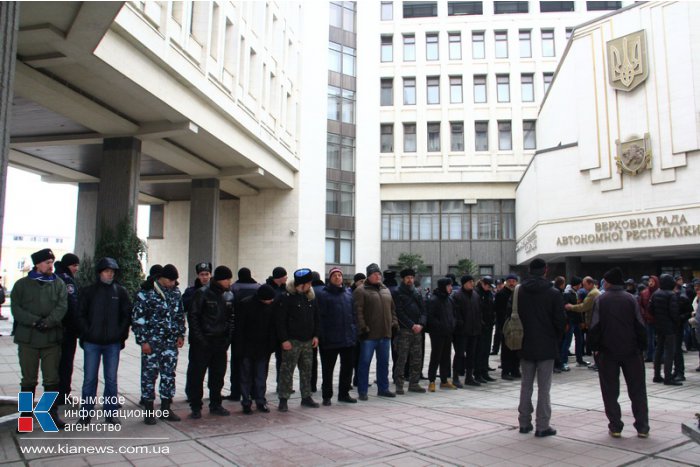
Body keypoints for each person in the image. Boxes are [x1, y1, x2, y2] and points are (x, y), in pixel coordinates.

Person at [11, 248, 68, 428]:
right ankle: (25, 418)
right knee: (28, 380)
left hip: (50, 338)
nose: (51, 266)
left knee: (51, 379)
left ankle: (49, 415)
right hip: (28, 339)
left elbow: (62, 306)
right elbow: (16, 309)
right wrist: (35, 321)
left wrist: (49, 322)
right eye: (47, 263)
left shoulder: (58, 284)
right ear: (37, 264)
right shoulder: (21, 285)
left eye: (52, 262)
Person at [590, 267, 649, 438]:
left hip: (607, 352)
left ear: (608, 282)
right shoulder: (631, 299)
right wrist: (642, 346)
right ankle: (642, 426)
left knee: (610, 390)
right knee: (637, 389)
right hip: (632, 351)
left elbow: (595, 326)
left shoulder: (601, 300)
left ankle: (615, 426)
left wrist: (594, 347)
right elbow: (640, 324)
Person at [76, 257, 131, 425]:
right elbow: (80, 315)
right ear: (100, 272)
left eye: (112, 272)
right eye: (107, 271)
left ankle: (110, 412)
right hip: (92, 342)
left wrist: (120, 335)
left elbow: (126, 316)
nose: (110, 274)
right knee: (90, 379)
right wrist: (87, 333)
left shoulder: (120, 292)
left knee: (111, 379)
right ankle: (86, 414)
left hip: (112, 343)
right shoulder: (88, 292)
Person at [517, 258, 566, 438]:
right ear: (545, 270)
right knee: (544, 388)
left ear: (530, 271)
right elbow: (560, 321)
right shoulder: (553, 293)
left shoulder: (520, 291)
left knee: (525, 385)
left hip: (524, 343)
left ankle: (524, 423)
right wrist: (556, 338)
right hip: (546, 344)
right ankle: (542, 425)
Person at [132, 264, 186, 425]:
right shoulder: (145, 293)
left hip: (170, 343)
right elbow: (138, 320)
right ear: (162, 278)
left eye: (174, 281)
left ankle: (166, 408)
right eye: (170, 280)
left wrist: (180, 334)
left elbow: (179, 315)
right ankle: (149, 410)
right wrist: (143, 341)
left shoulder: (175, 293)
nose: (172, 283)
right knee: (149, 376)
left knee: (169, 375)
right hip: (152, 343)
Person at [186, 266, 235, 419]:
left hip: (220, 343)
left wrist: (228, 338)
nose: (229, 282)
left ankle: (216, 404)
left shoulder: (228, 295)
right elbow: (193, 318)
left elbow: (231, 318)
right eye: (227, 279)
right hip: (202, 344)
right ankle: (195, 406)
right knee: (197, 376)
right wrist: (200, 339)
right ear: (220, 279)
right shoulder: (202, 293)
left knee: (218, 375)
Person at [276, 268, 321, 411]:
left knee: (307, 370)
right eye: (308, 283)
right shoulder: (286, 297)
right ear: (301, 284)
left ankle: (306, 397)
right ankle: (283, 399)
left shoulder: (310, 297)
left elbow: (316, 318)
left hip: (308, 341)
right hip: (292, 341)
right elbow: (280, 321)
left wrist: (316, 335)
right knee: (287, 371)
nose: (310, 285)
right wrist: (284, 339)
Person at [354, 263, 399, 400]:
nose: (378, 276)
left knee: (384, 363)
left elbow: (392, 309)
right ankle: (362, 391)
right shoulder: (361, 290)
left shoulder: (385, 289)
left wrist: (394, 322)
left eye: (379, 274)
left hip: (385, 334)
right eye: (375, 274)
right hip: (369, 335)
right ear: (369, 275)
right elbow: (358, 312)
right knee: (365, 362)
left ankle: (383, 388)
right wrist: (363, 328)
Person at [316, 267, 358, 405]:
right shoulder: (323, 295)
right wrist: (322, 336)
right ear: (330, 278)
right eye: (334, 275)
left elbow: (354, 314)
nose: (337, 277)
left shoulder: (348, 293)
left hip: (348, 339)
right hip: (330, 340)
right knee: (328, 370)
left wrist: (354, 331)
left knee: (347, 369)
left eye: (339, 275)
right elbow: (319, 318)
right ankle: (326, 396)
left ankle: (344, 394)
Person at [236, 284, 277, 414]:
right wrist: (239, 347)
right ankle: (246, 402)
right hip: (247, 347)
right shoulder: (246, 304)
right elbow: (239, 328)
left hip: (263, 348)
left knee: (260, 376)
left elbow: (273, 327)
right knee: (246, 376)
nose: (271, 301)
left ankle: (260, 400)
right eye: (269, 299)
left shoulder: (271, 307)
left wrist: (271, 346)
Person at [226, 267, 260, 402]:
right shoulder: (258, 287)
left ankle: (235, 392)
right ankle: (253, 392)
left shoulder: (234, 288)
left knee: (237, 363)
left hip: (238, 332)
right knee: (255, 365)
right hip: (255, 333)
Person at [392, 268, 426, 394]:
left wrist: (421, 324)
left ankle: (414, 383)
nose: (410, 280)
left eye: (412, 277)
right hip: (405, 331)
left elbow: (424, 310)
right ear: (403, 279)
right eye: (407, 278)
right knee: (402, 358)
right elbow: (399, 312)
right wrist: (412, 325)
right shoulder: (397, 293)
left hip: (418, 330)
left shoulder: (417, 292)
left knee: (417, 358)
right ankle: (399, 385)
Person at [54, 253, 80, 405]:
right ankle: (61, 395)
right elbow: (72, 305)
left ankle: (54, 404)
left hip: (50, 331)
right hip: (65, 330)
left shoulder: (54, 278)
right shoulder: (66, 279)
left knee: (51, 372)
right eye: (74, 265)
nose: (76, 268)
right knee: (29, 381)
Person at [427, 277, 457, 391]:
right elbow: (431, 317)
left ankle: (444, 380)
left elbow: (454, 314)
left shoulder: (449, 299)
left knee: (446, 357)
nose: (450, 288)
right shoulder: (434, 299)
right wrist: (440, 326)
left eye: (451, 285)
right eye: (448, 286)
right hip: (437, 333)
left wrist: (452, 324)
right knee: (436, 356)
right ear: (443, 286)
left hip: (448, 332)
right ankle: (432, 380)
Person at [651, 274, 681, 386]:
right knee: (669, 352)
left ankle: (657, 375)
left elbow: (651, 309)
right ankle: (668, 377)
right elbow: (674, 313)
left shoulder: (655, 294)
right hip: (669, 327)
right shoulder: (671, 295)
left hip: (659, 326)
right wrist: (676, 323)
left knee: (658, 350)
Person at [452, 274, 482, 387]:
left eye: (472, 282)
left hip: (474, 330)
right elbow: (456, 313)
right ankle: (455, 377)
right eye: (469, 282)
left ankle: (469, 377)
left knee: (471, 355)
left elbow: (479, 311)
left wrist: (480, 324)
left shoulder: (475, 295)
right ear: (463, 283)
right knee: (459, 354)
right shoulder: (457, 295)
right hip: (462, 332)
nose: (471, 284)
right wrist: (460, 324)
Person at [565, 276, 601, 370]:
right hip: (577, 320)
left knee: (594, 343)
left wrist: (571, 307)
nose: (583, 287)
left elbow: (584, 307)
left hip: (591, 321)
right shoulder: (593, 292)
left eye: (584, 285)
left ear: (590, 284)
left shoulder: (593, 294)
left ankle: (597, 363)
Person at [497, 274, 520, 380]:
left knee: (517, 348)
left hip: (517, 325)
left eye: (513, 281)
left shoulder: (518, 293)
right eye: (509, 281)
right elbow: (499, 311)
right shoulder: (501, 294)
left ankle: (515, 369)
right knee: (506, 349)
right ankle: (505, 371)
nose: (511, 283)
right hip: (505, 325)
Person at [475, 277, 496, 383]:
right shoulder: (477, 293)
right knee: (480, 351)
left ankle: (484, 372)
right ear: (482, 283)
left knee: (486, 351)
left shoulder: (489, 294)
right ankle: (478, 373)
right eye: (487, 285)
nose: (488, 287)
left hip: (488, 326)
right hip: (480, 327)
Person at [638, 275, 659, 362]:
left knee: (657, 339)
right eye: (649, 281)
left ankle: (657, 356)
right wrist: (644, 314)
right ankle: (649, 355)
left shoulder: (658, 292)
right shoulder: (644, 293)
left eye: (652, 281)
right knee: (649, 338)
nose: (650, 283)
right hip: (648, 319)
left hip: (658, 320)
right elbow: (641, 305)